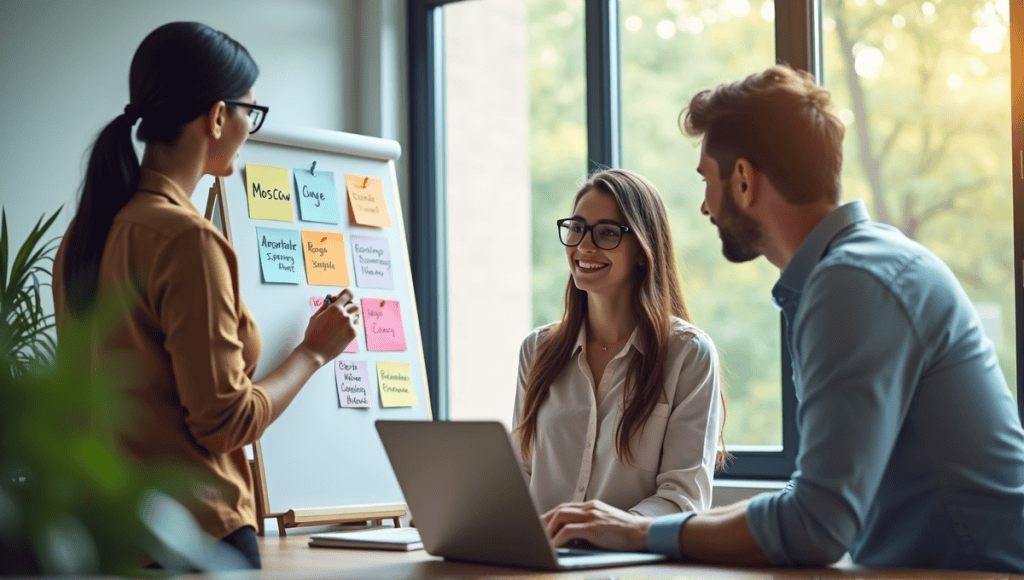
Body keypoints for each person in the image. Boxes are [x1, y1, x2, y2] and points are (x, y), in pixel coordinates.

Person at [541, 65, 1024, 573]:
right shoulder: (863, 268)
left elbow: (815, 527)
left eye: (708, 179)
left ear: (744, 180)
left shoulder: (853, 284)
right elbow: (812, 497)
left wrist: (637, 531)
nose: (705, 206)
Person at [51, 22, 360, 570]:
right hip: (194, 538)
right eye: (251, 113)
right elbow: (224, 422)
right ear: (217, 117)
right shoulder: (186, 239)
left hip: (106, 537)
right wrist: (313, 352)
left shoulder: (87, 233)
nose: (250, 128)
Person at [512, 168, 726, 519]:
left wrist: (608, 527)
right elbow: (520, 475)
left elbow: (683, 497)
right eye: (577, 228)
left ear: (644, 249)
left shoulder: (688, 354)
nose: (584, 246)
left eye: (607, 233)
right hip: (540, 567)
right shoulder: (536, 350)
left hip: (632, 566)